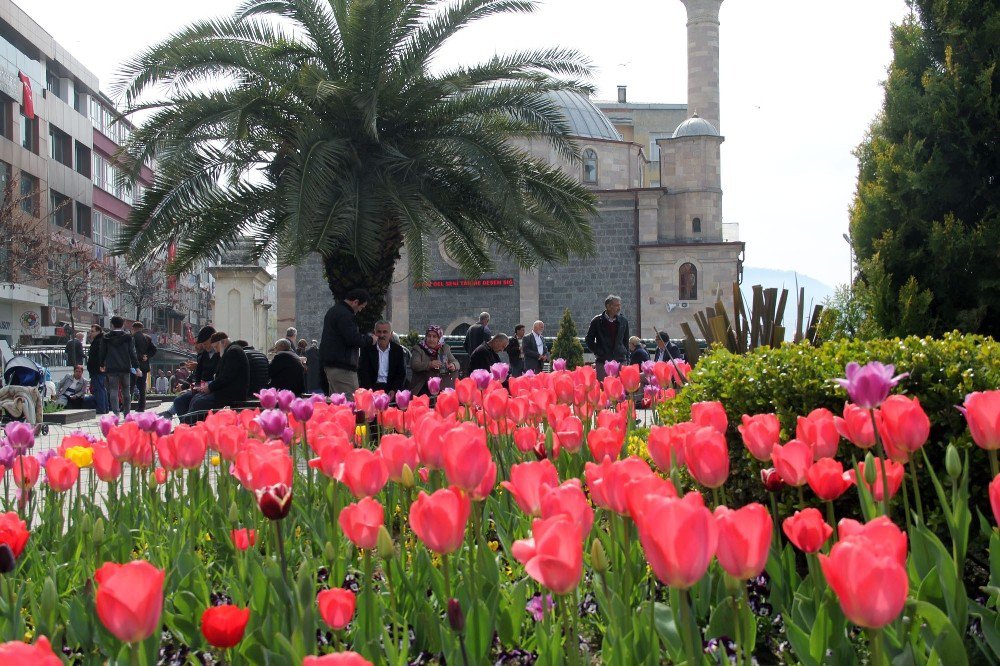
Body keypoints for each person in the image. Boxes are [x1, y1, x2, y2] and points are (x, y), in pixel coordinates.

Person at [319, 288, 375, 396]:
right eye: (361, 307)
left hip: (332, 364)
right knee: (350, 403)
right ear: (355, 302)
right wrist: (370, 339)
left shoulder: (335, 311)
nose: (360, 310)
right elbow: (353, 339)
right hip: (342, 367)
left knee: (337, 403)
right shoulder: (345, 315)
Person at [187, 331, 249, 419]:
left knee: (199, 402)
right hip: (225, 390)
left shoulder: (233, 352)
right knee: (197, 398)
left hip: (231, 393)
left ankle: (189, 425)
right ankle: (187, 423)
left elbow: (226, 377)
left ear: (222, 342)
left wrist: (209, 387)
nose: (216, 350)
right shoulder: (230, 351)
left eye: (216, 347)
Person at [161, 326, 219, 420]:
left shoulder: (220, 353)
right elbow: (198, 374)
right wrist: (193, 387)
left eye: (204, 343)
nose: (203, 346)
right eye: (202, 344)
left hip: (212, 388)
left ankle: (187, 424)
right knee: (180, 400)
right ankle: (184, 425)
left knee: (195, 401)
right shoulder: (204, 354)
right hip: (202, 387)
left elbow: (217, 376)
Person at [100, 316, 140, 417]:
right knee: (126, 390)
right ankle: (127, 413)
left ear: (112, 324)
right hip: (125, 368)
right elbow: (132, 353)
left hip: (112, 368)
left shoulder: (106, 337)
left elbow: (102, 352)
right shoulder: (128, 337)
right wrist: (136, 367)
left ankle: (116, 413)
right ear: (123, 324)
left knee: (113, 390)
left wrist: (101, 364)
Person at [586, 295, 631, 380]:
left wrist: (627, 360)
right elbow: (589, 340)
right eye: (616, 305)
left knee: (620, 388)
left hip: (620, 360)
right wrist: (598, 351)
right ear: (608, 306)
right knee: (603, 387)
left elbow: (626, 342)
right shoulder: (597, 321)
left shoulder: (623, 321)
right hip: (603, 361)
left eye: (619, 305)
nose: (619, 308)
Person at [358, 320, 407, 397]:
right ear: (374, 333)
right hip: (372, 387)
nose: (381, 335)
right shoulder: (367, 349)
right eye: (379, 332)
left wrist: (394, 390)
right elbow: (363, 372)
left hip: (390, 388)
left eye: (385, 332)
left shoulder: (398, 350)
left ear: (391, 334)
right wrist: (370, 392)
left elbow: (401, 374)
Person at [410, 325, 458, 396]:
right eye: (429, 336)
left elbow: (456, 362)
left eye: (434, 336)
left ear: (439, 338)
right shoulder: (418, 349)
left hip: (441, 386)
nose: (431, 339)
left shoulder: (444, 348)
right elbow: (415, 365)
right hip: (423, 387)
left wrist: (453, 365)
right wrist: (430, 364)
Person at [130, 322, 157, 411]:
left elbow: (132, 352)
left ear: (133, 328)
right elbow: (154, 349)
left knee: (130, 386)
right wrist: (147, 356)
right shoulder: (147, 338)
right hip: (144, 366)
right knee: (142, 388)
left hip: (134, 366)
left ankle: (126, 406)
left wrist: (140, 357)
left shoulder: (132, 338)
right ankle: (141, 407)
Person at [86, 324, 108, 414]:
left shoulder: (99, 341)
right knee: (102, 389)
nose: (91, 333)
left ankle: (101, 408)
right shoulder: (98, 340)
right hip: (97, 369)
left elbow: (100, 355)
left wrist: (101, 365)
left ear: (98, 331)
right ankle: (105, 408)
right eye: (90, 331)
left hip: (97, 369)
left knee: (99, 389)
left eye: (92, 331)